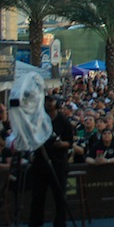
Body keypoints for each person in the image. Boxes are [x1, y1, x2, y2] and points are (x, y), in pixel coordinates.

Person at [29, 95, 73, 227]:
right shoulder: (38, 121)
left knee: (59, 196)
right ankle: (35, 223)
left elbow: (69, 142)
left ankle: (60, 223)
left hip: (58, 162)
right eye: (46, 101)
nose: (49, 104)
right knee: (37, 196)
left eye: (51, 101)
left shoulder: (64, 122)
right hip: (40, 162)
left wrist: (61, 144)